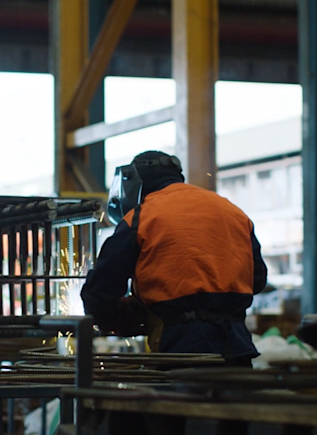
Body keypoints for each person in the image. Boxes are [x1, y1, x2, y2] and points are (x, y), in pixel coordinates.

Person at [81, 150, 267, 366]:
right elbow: (257, 280)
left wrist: (114, 319)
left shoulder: (141, 217)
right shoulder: (233, 212)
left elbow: (100, 292)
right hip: (236, 347)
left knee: (180, 400)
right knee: (230, 399)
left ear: (133, 182)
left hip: (182, 349)